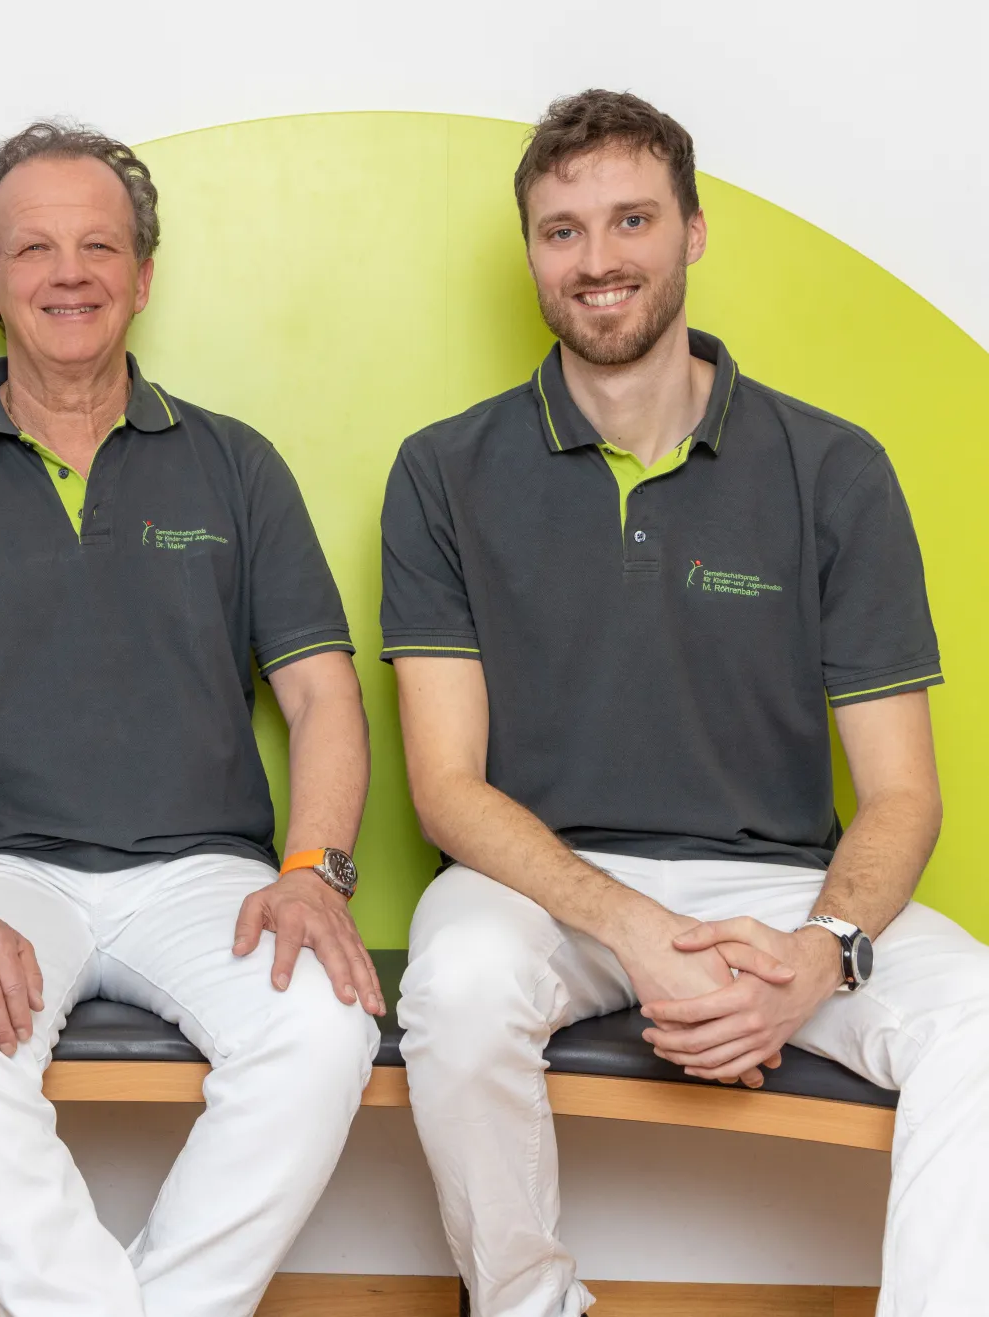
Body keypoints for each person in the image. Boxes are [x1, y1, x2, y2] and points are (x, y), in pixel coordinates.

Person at [385, 89, 989, 1317]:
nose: (596, 259)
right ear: (530, 254)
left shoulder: (832, 468)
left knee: (979, 1025)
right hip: (544, 887)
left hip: (780, 890)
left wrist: (820, 954)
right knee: (457, 988)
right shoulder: (443, 469)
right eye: (561, 231)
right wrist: (632, 927)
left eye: (631, 220)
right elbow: (445, 788)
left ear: (692, 233)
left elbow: (900, 792)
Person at [0, 121, 384, 1316]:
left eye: (99, 246)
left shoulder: (237, 465)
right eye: (33, 249)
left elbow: (322, 695)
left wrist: (314, 874)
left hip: (206, 875)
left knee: (323, 1027)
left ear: (142, 277)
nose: (69, 273)